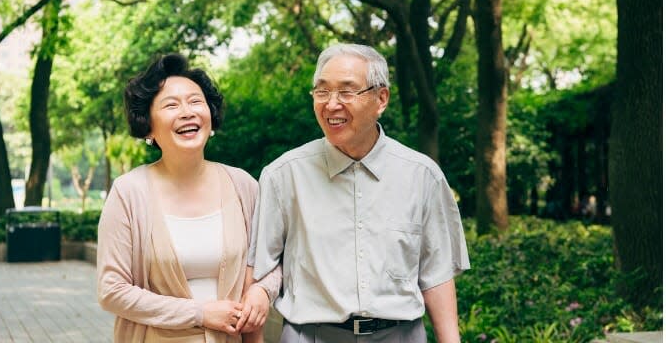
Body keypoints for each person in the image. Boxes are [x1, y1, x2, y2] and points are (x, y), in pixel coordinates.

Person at [249, 43, 470, 342]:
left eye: (347, 91)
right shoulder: (283, 176)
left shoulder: (423, 176)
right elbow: (261, 268)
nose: (331, 104)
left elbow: (437, 274)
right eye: (322, 91)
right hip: (310, 335)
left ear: (381, 99)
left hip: (401, 335)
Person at [97, 53, 281, 343]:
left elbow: (271, 261)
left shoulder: (243, 185)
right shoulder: (128, 193)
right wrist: (200, 313)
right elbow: (112, 290)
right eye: (171, 105)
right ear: (148, 125)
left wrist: (262, 291)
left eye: (196, 101)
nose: (187, 112)